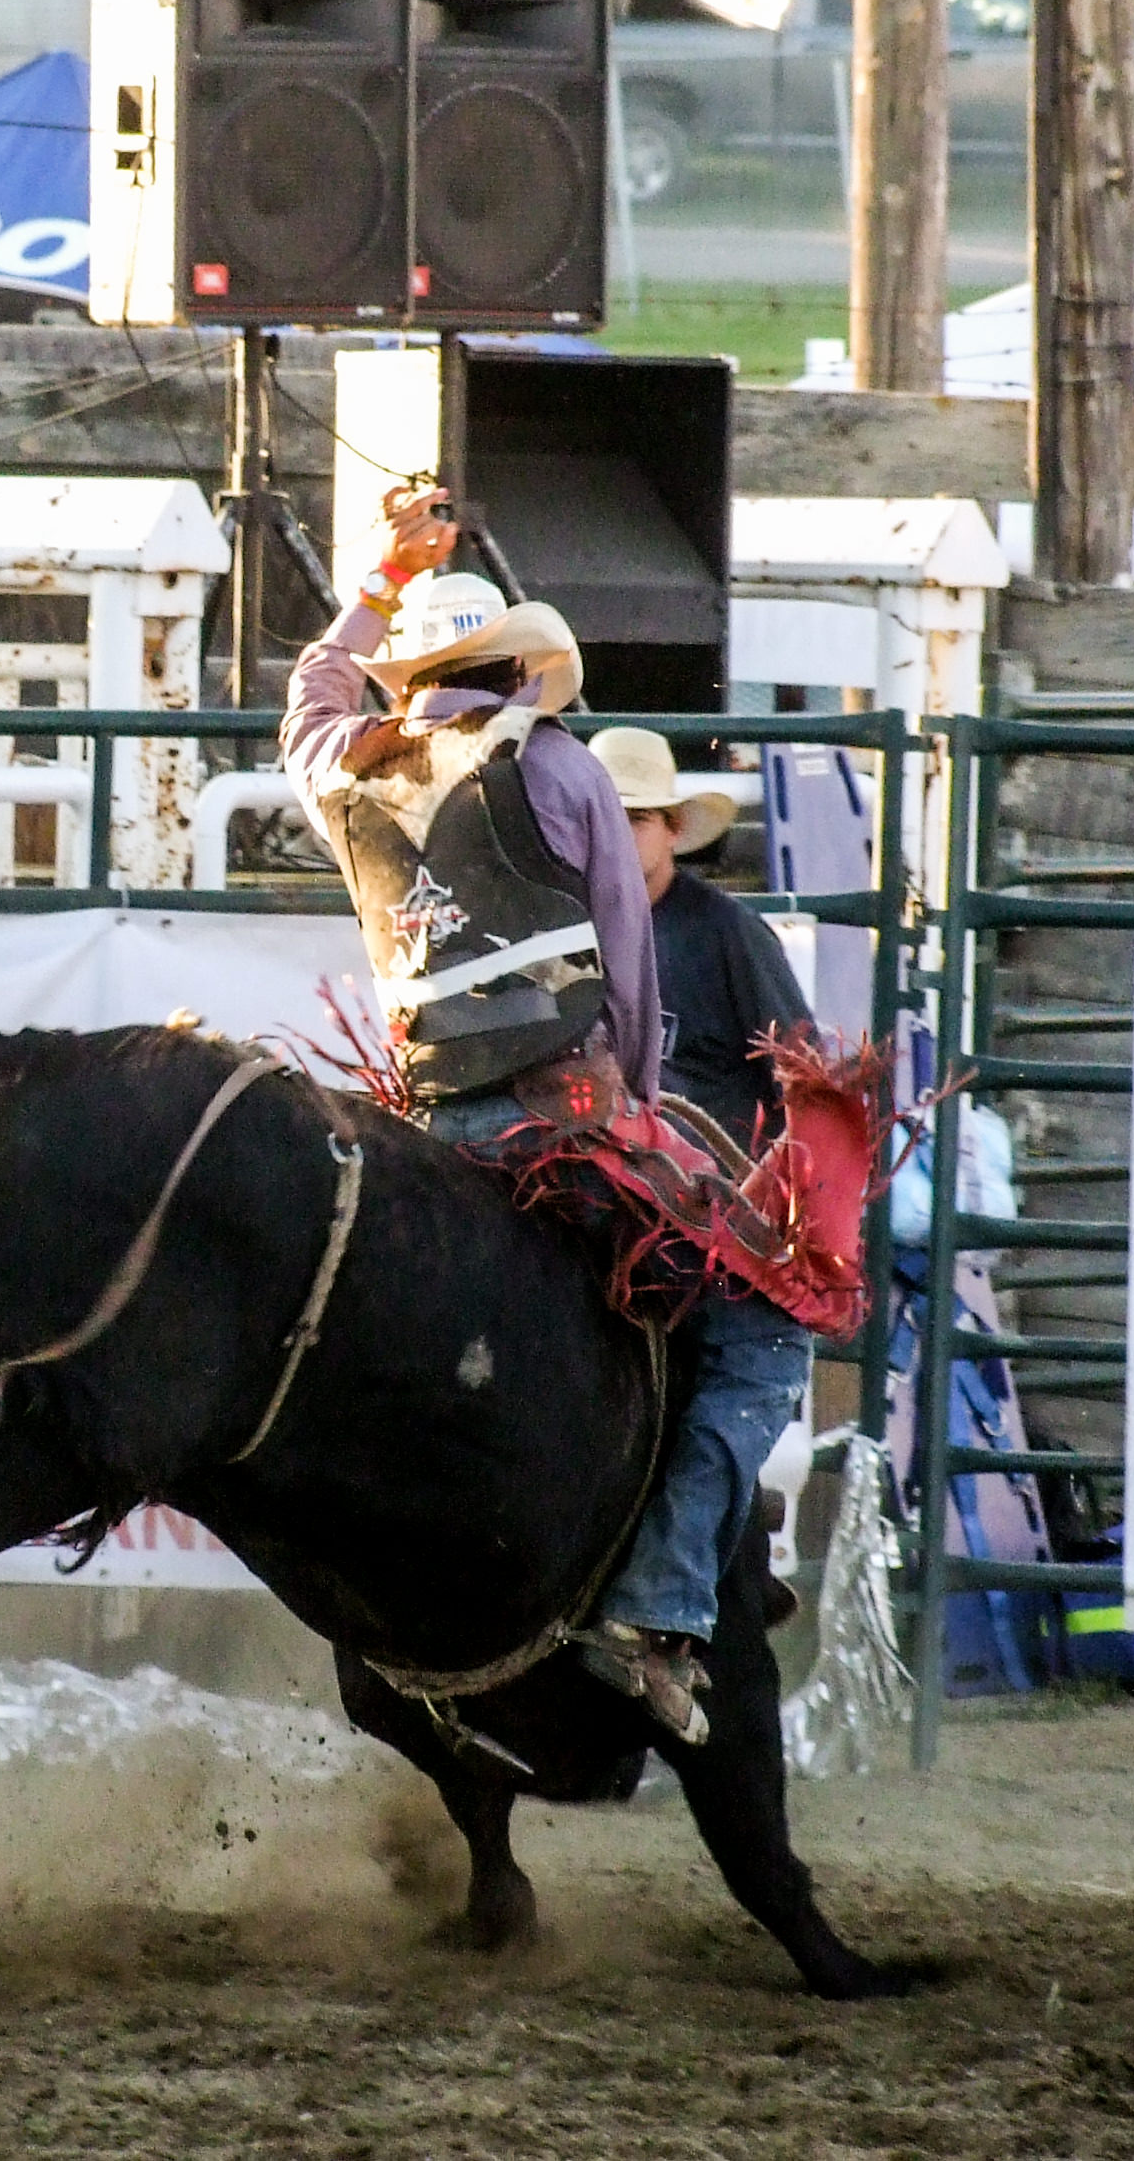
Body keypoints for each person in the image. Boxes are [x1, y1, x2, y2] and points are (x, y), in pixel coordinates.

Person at [282, 484, 811, 1747]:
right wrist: (632, 1099)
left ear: (407, 677)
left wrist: (377, 584)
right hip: (559, 1128)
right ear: (517, 667)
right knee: (766, 1323)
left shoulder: (344, 767)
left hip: (420, 1126)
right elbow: (626, 971)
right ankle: (661, 1598)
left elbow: (309, 694)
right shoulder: (562, 770)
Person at [588, 725, 819, 1149]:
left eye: (637, 819)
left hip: (711, 1174)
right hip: (603, 1162)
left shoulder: (728, 931)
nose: (618, 835)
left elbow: (803, 1079)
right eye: (603, 819)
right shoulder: (571, 929)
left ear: (673, 828)